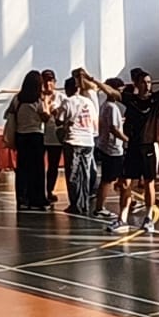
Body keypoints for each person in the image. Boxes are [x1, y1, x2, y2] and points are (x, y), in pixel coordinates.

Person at [113, 65, 159, 233]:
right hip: (133, 147)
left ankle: (149, 218)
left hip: (149, 146)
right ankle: (122, 218)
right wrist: (93, 81)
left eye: (149, 82)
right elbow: (112, 92)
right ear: (137, 84)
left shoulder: (155, 100)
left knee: (148, 182)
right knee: (125, 183)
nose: (147, 85)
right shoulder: (131, 99)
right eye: (144, 82)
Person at [6, 70, 52, 211]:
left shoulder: (17, 99)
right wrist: (47, 102)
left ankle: (22, 198)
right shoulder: (38, 100)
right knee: (37, 170)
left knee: (22, 169)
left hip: (21, 136)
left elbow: (9, 114)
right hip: (36, 136)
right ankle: (37, 199)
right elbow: (45, 117)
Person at [58, 77, 99, 216]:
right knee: (85, 173)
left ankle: (75, 204)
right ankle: (85, 202)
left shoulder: (67, 102)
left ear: (67, 89)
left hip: (73, 140)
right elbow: (95, 123)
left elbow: (59, 120)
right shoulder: (88, 102)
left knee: (73, 174)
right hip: (88, 141)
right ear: (78, 88)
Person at [94, 77, 129, 222]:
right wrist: (126, 139)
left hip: (106, 145)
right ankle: (99, 207)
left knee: (119, 176)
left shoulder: (105, 106)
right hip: (113, 148)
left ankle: (129, 199)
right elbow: (114, 128)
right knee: (107, 179)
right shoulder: (112, 107)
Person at [41, 70, 66, 206]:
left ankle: (49, 190)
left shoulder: (61, 97)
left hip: (54, 137)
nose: (48, 84)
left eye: (50, 81)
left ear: (55, 82)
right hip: (39, 135)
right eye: (45, 81)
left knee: (53, 165)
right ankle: (39, 191)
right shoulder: (36, 97)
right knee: (38, 165)